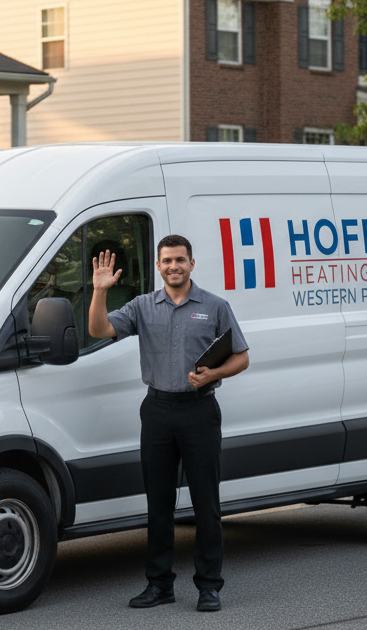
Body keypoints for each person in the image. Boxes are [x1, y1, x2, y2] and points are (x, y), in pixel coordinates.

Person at [89, 234, 249, 611]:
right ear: (158, 266)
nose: (173, 266)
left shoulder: (215, 306)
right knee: (158, 504)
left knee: (206, 503)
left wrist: (212, 375)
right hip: (158, 411)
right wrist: (100, 291)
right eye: (167, 261)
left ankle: (209, 586)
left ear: (191, 263)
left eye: (180, 260)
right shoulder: (142, 306)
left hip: (199, 411)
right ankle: (159, 584)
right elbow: (99, 330)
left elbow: (241, 357)